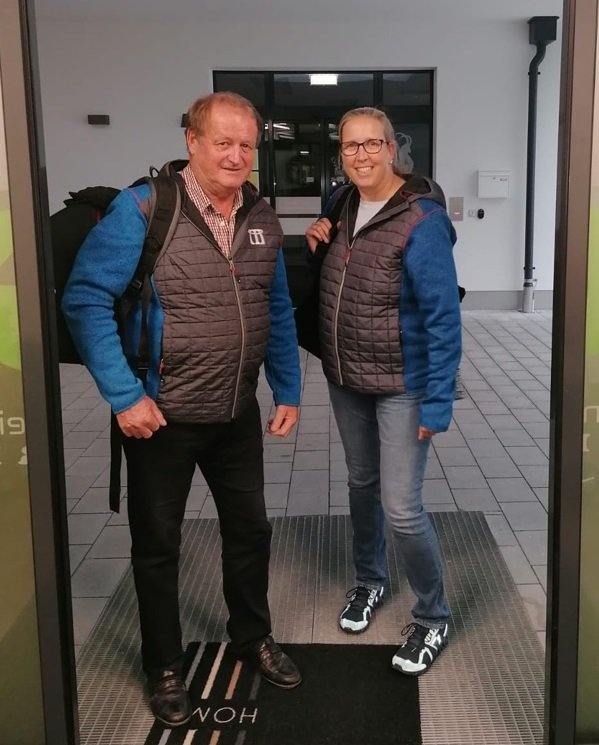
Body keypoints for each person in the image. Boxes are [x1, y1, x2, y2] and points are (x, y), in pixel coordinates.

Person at [63, 91, 302, 727]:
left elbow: (275, 306)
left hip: (235, 413)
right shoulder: (145, 208)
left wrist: (288, 387)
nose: (236, 155)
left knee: (250, 532)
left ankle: (251, 636)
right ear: (192, 141)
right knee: (158, 545)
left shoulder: (260, 214)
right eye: (223, 142)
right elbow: (85, 299)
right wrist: (124, 396)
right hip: (159, 416)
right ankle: (165, 665)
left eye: (247, 144)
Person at [305, 107, 461, 676]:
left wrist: (438, 400)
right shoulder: (341, 203)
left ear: (392, 149)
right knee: (361, 485)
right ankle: (369, 581)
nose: (361, 155)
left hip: (403, 384)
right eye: (351, 146)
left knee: (402, 507)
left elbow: (443, 319)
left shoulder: (422, 220)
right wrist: (317, 240)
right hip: (348, 378)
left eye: (372, 144)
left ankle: (433, 615)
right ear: (341, 154)